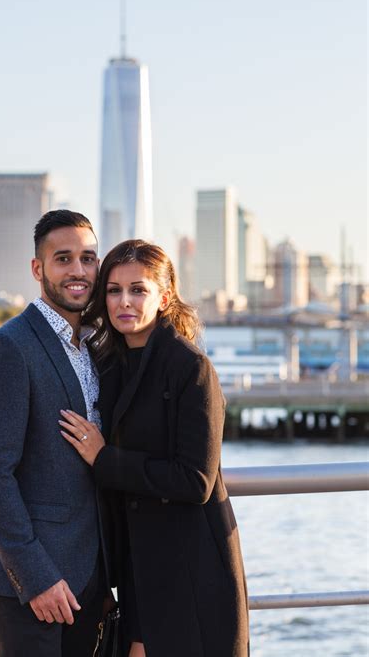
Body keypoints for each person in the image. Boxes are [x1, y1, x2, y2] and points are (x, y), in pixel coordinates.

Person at [59, 239, 250, 657]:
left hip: (189, 567)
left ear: (164, 297)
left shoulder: (190, 367)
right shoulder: (106, 364)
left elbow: (195, 479)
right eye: (113, 290)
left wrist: (104, 458)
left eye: (138, 289)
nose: (124, 301)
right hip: (134, 571)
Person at [0, 210, 111, 657]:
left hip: (89, 582)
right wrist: (37, 579)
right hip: (30, 588)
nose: (78, 271)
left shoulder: (93, 345)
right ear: (38, 269)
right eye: (63, 258)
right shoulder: (7, 347)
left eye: (88, 258)